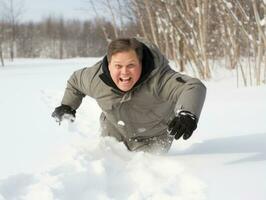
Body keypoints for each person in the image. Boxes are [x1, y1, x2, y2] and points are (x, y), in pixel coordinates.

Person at [52, 37, 206, 153]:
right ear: (109, 64)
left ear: (141, 63)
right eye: (118, 66)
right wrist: (67, 105)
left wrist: (188, 113)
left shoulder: (159, 79)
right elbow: (75, 82)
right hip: (113, 132)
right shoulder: (94, 78)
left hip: (154, 137)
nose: (124, 72)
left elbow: (192, 86)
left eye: (131, 65)